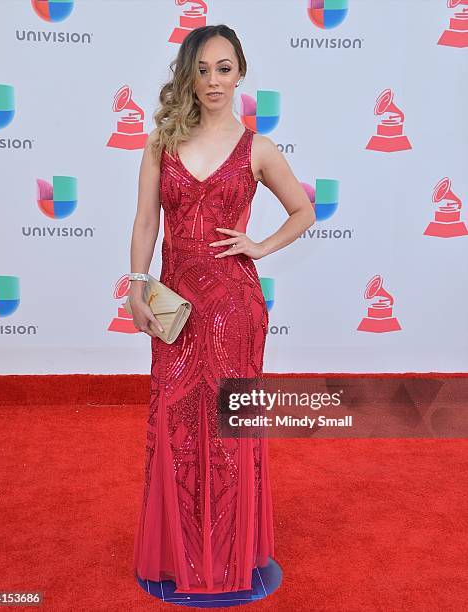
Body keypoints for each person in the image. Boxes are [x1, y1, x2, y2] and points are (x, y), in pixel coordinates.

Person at [130, 24, 315, 594]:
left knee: (228, 428)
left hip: (235, 309)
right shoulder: (162, 142)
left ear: (241, 73)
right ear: (188, 75)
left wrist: (258, 246)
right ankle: (182, 551)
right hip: (175, 308)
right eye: (202, 69)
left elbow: (302, 211)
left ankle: (232, 554)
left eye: (224, 68)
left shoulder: (258, 148)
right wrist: (137, 285)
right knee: (175, 423)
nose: (213, 80)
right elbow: (145, 222)